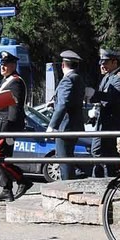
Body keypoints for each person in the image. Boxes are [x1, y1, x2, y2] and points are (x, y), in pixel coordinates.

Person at [0, 49, 30, 201]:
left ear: (13, 65)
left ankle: (22, 179)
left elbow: (14, 108)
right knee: (1, 157)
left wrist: (9, 129)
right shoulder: (6, 80)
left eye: (6, 64)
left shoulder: (15, 82)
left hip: (5, 126)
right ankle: (6, 188)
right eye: (2, 64)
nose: (3, 67)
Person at [88, 48, 120, 178]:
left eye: (105, 62)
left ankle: (109, 180)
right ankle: (101, 179)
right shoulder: (107, 77)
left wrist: (95, 94)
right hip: (102, 120)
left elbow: (114, 97)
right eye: (101, 63)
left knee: (104, 152)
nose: (102, 66)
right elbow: (101, 97)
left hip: (111, 121)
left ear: (114, 62)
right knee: (99, 151)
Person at [47, 50, 85, 181]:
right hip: (74, 125)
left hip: (65, 126)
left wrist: (52, 126)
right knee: (67, 158)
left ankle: (67, 187)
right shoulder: (78, 78)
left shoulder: (67, 80)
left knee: (64, 160)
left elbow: (63, 104)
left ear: (63, 65)